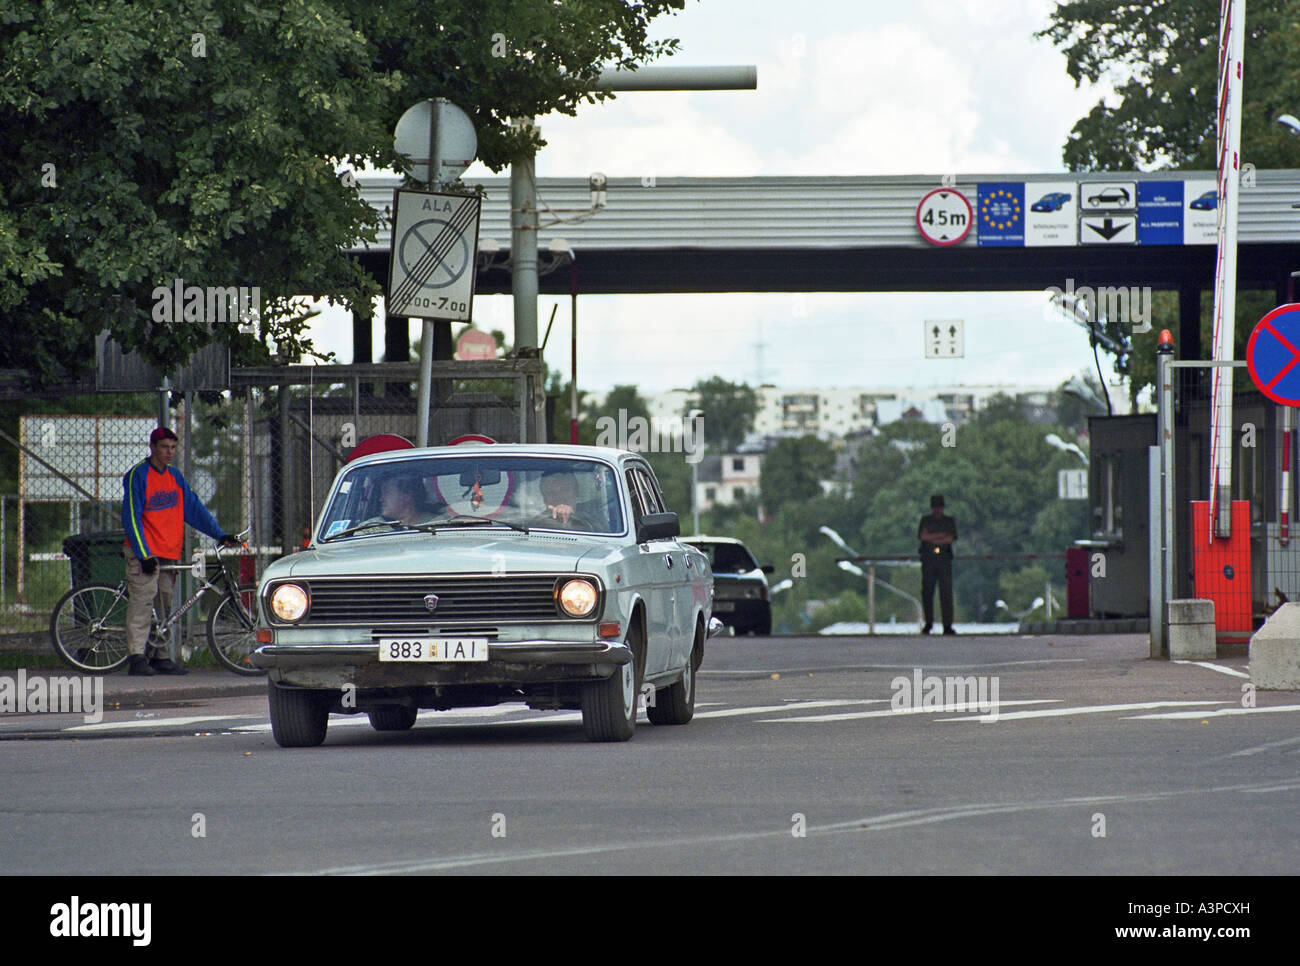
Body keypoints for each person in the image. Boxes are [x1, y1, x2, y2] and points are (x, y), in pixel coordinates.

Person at [122, 427, 240, 676]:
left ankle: (160, 656)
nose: (169, 452)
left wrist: (219, 534)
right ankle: (136, 656)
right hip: (144, 551)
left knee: (164, 604)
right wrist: (143, 554)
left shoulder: (175, 477)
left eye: (173, 448)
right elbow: (131, 516)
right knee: (143, 601)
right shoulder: (138, 475)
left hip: (167, 550)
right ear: (152, 447)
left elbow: (194, 509)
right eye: (164, 447)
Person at [918, 493, 957, 635]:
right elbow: (923, 536)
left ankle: (947, 624)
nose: (937, 510)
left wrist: (932, 538)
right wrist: (940, 536)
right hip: (929, 560)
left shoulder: (948, 521)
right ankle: (928, 622)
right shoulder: (926, 520)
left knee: (946, 592)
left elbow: (950, 538)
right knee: (928, 592)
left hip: (944, 560)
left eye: (939, 507)